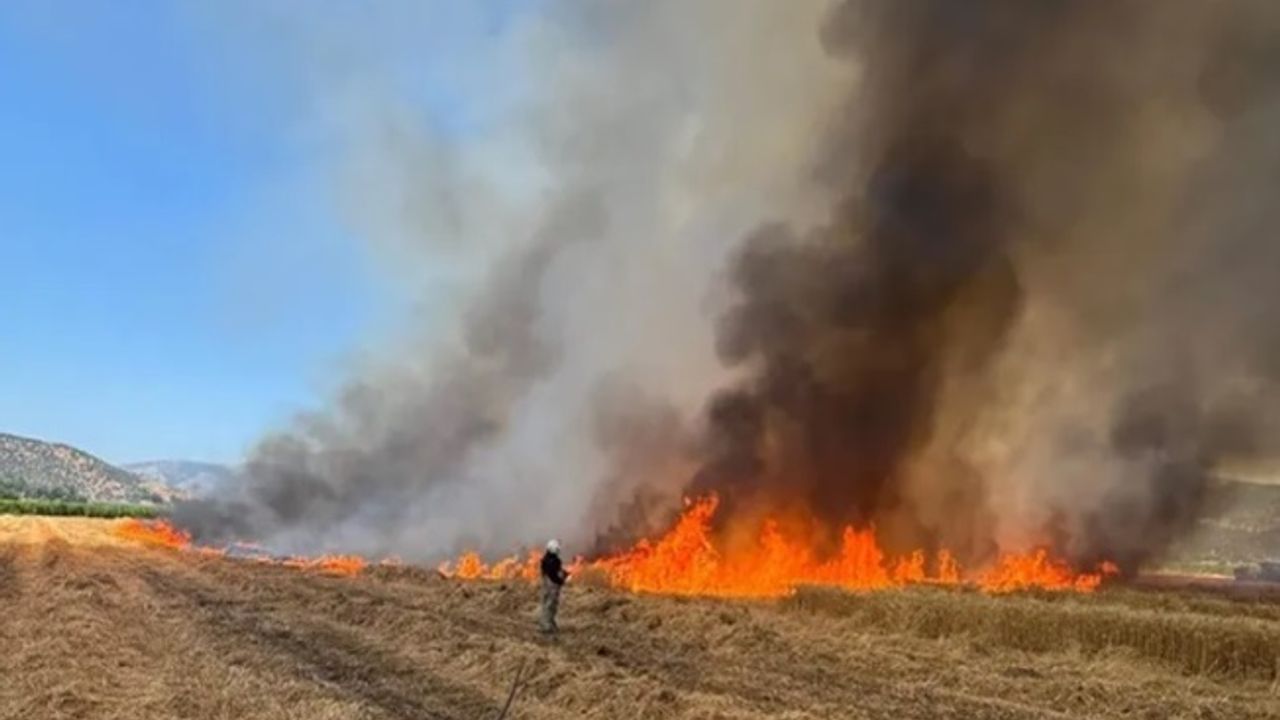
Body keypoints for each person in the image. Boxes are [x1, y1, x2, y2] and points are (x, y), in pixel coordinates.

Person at [539, 538, 568, 634]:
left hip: (546, 586)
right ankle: (547, 625)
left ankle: (548, 623)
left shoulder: (545, 560)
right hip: (552, 587)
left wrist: (564, 573)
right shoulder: (554, 561)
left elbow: (550, 572)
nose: (558, 551)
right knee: (550, 605)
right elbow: (554, 575)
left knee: (546, 605)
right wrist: (561, 581)